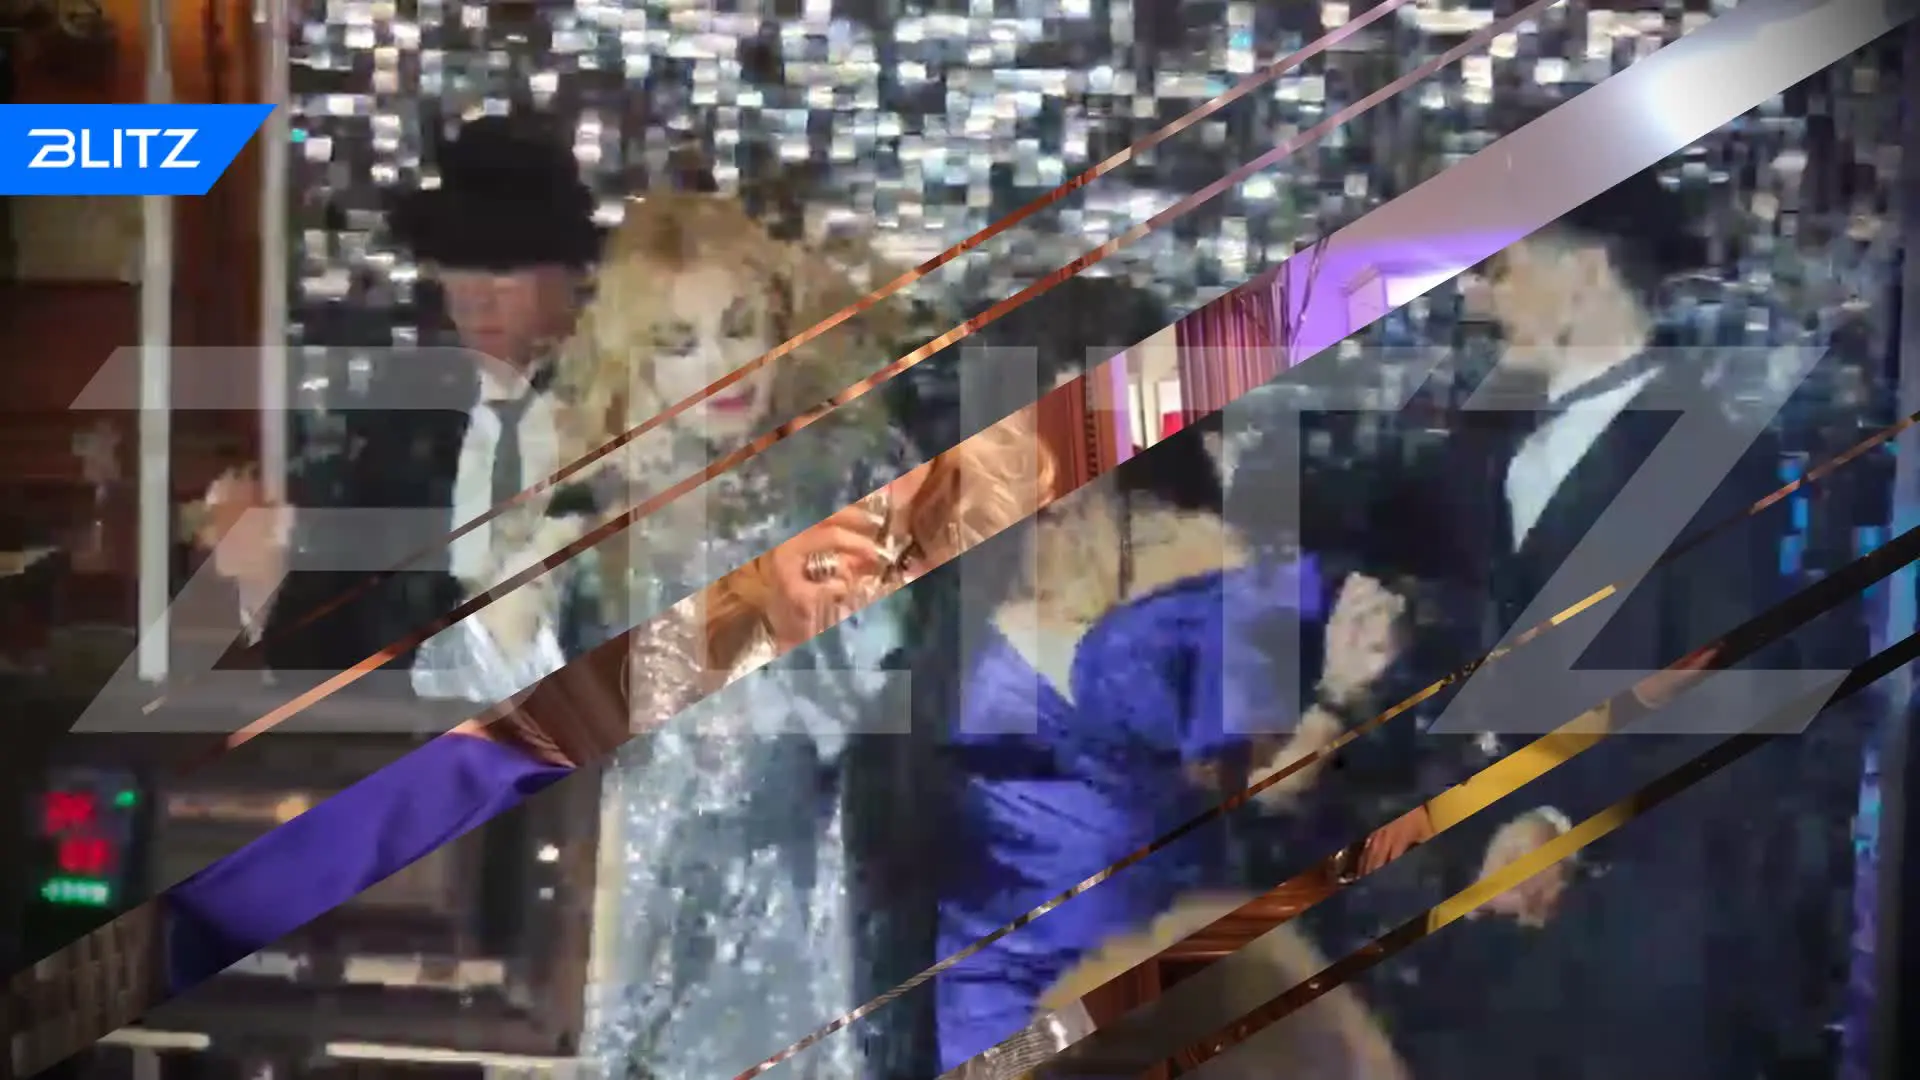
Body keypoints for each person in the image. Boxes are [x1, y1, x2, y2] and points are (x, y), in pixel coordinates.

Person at [1356, 164, 1814, 1080]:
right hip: (1471, 927)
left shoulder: (1713, 451)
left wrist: (1562, 815)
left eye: (1500, 271)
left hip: (1623, 947)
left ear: (1585, 274)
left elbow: (1730, 706)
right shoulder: (1487, 447)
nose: (1479, 301)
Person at [192, 113, 599, 689]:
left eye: (503, 271)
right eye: (456, 267)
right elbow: (331, 660)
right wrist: (262, 578)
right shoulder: (399, 429)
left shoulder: (623, 415)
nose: (476, 298)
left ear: (572, 275)